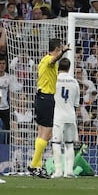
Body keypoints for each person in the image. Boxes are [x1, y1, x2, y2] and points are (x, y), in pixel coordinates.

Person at [27, 38, 70, 178]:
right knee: (47, 133)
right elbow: (53, 60)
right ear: (57, 48)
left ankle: (37, 166)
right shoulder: (48, 59)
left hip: (41, 98)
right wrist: (63, 52)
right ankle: (33, 165)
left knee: (41, 133)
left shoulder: (43, 60)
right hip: (46, 98)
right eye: (60, 48)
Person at [51, 58, 80, 178]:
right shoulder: (75, 82)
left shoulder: (54, 80)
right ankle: (69, 171)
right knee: (69, 144)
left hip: (58, 116)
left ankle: (58, 171)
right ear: (69, 68)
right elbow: (76, 104)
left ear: (58, 67)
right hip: (70, 116)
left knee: (56, 143)